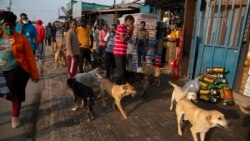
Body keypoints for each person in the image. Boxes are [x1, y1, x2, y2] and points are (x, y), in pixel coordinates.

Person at [0, 11, 39, 128]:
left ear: (14, 25)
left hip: (17, 70)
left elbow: (30, 57)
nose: (8, 27)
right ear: (1, 25)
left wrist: (34, 73)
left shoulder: (21, 38)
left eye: (10, 25)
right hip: (1, 71)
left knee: (16, 94)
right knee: (6, 93)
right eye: (5, 25)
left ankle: (15, 116)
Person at [113, 15, 134, 84]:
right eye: (131, 22)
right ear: (128, 20)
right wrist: (128, 31)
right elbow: (122, 40)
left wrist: (131, 32)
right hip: (118, 53)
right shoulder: (120, 27)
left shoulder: (125, 28)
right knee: (121, 73)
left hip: (123, 53)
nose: (132, 24)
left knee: (124, 71)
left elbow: (126, 39)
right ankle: (115, 87)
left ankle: (123, 86)